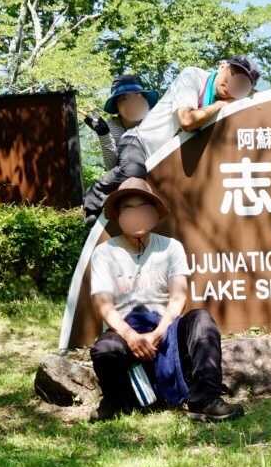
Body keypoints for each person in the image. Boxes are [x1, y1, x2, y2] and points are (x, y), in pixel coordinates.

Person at [87, 177, 245, 422]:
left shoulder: (171, 248)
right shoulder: (104, 253)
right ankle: (115, 401)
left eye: (142, 208)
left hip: (166, 329)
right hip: (125, 332)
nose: (136, 215)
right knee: (106, 349)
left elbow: (178, 297)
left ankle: (206, 399)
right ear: (118, 215)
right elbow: (103, 306)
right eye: (129, 208)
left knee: (202, 321)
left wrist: (159, 332)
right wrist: (131, 337)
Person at [81, 56, 261, 224]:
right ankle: (95, 196)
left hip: (167, 164)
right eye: (232, 74)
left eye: (241, 84)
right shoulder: (194, 77)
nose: (232, 84)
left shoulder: (228, 107)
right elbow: (187, 120)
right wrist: (220, 105)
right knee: (132, 173)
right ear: (222, 66)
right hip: (139, 144)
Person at [82, 74, 159, 169]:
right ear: (117, 107)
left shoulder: (155, 121)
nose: (131, 103)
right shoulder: (113, 126)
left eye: (136, 96)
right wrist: (104, 134)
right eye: (123, 99)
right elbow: (111, 166)